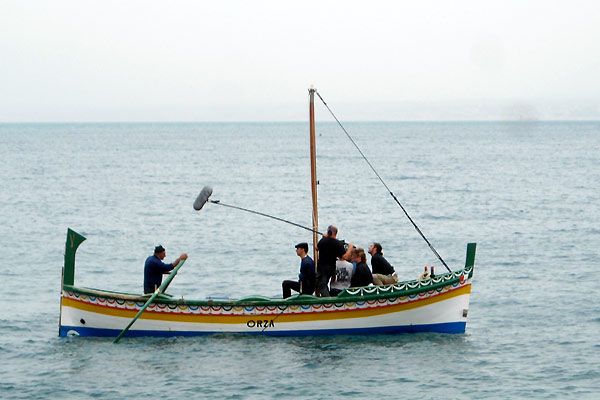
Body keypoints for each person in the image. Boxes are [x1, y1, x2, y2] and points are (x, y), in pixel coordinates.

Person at [316, 225, 353, 297]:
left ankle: (328, 301)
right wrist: (350, 249)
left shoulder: (323, 240)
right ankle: (328, 297)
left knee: (322, 285)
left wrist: (323, 237)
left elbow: (316, 248)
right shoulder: (337, 243)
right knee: (325, 284)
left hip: (322, 267)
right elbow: (345, 257)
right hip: (331, 268)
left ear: (329, 232)